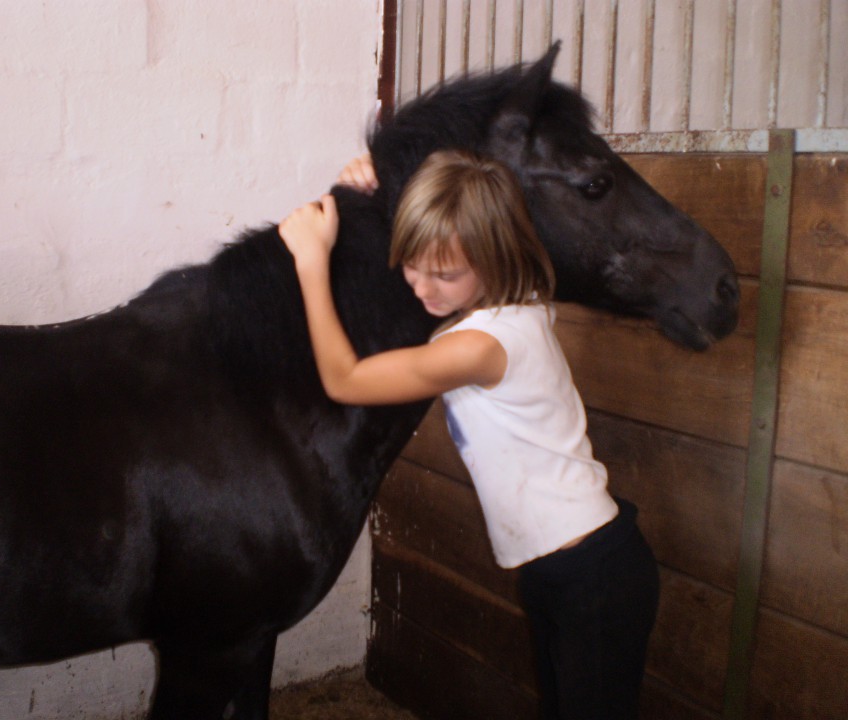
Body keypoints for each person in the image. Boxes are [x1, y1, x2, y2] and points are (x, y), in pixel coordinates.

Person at [279, 149, 659, 720]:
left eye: (446, 274)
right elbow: (457, 197)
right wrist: (370, 188)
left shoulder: (480, 347)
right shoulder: (515, 305)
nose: (422, 287)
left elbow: (344, 379)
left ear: (493, 257)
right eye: (411, 263)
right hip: (557, 567)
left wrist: (312, 261)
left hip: (592, 575)